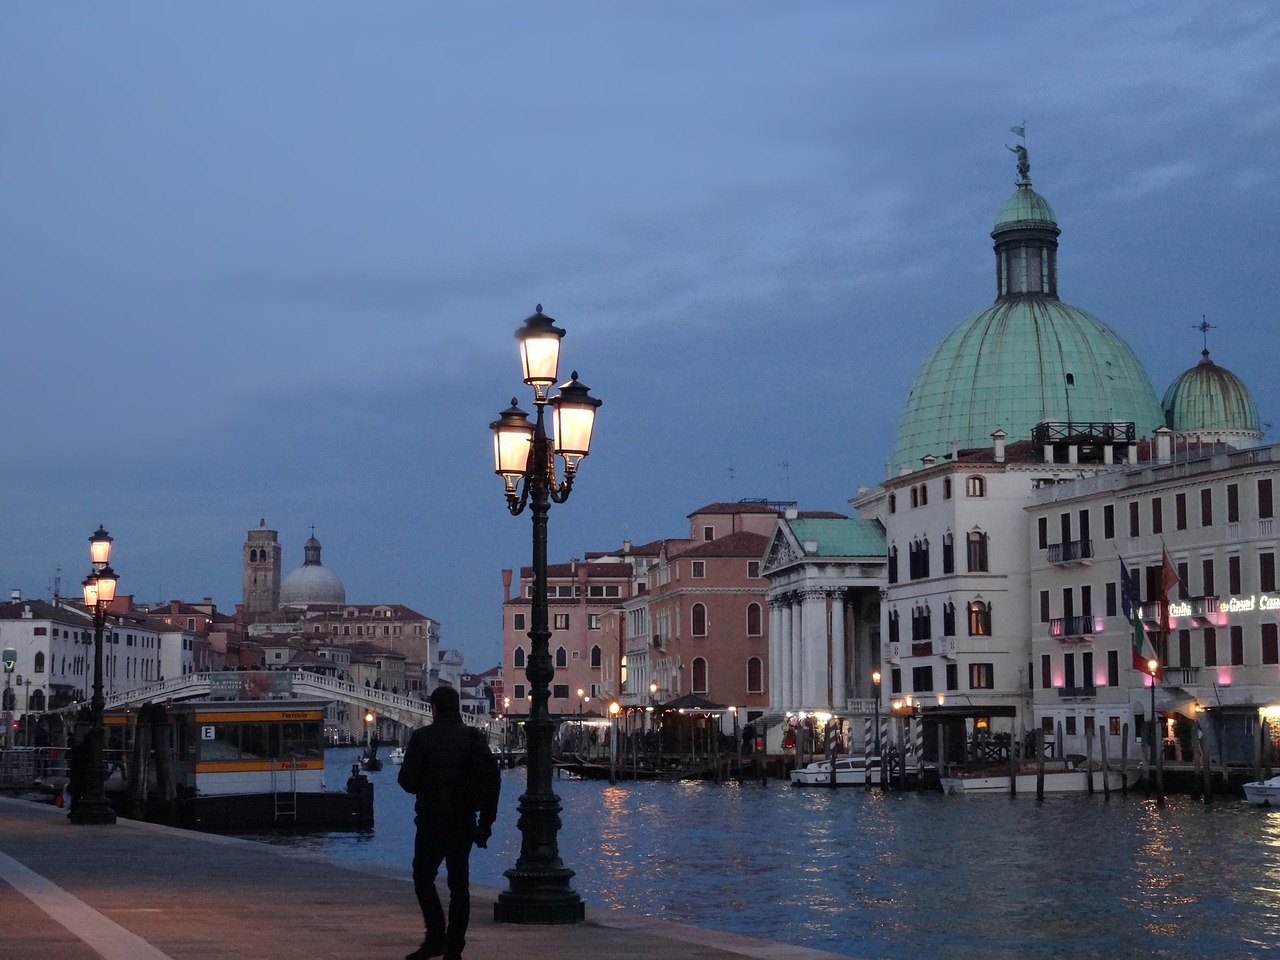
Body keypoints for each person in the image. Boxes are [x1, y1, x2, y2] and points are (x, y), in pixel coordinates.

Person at [398, 685, 500, 960]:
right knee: (459, 887)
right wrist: (486, 824)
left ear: (433, 708)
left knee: (423, 877)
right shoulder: (473, 738)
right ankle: (453, 950)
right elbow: (492, 781)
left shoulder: (422, 738)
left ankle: (435, 938)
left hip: (431, 820)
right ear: (458, 708)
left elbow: (407, 783)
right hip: (463, 821)